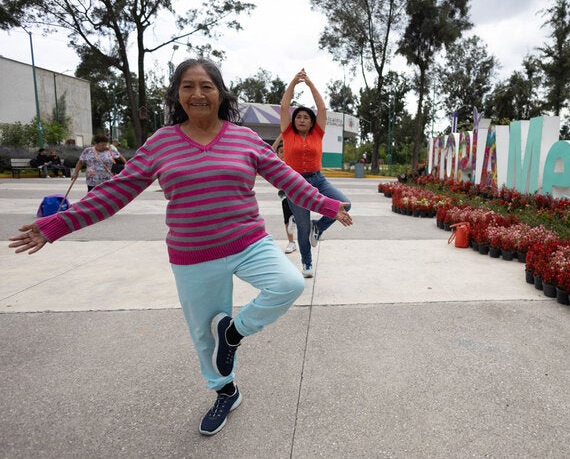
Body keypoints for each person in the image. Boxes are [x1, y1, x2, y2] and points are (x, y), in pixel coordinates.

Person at [8, 58, 352, 436]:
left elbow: (288, 178)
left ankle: (233, 333)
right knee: (204, 335)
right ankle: (226, 391)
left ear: (220, 93)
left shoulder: (244, 138)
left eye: (206, 85)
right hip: (193, 253)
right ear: (177, 95)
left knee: (289, 284)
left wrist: (330, 205)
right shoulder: (162, 142)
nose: (198, 93)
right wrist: (56, 224)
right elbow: (116, 191)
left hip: (249, 241)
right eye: (188, 86)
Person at [280, 68, 351, 278]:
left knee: (345, 203)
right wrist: (293, 81)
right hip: (295, 183)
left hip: (317, 179)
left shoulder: (317, 133)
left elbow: (321, 107)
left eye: (306, 117)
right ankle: (307, 263)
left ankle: (318, 227)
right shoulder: (287, 133)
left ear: (312, 122)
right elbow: (285, 106)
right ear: (294, 121)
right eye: (298, 117)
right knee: (302, 227)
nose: (302, 120)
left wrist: (309, 84)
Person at [272, 136, 297, 254]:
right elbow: (270, 150)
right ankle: (291, 242)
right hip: (285, 195)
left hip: (297, 194)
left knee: (297, 218)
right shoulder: (276, 163)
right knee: (287, 220)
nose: (283, 154)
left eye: (286, 152)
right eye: (281, 152)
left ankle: (296, 222)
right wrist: (281, 136)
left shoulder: (293, 162)